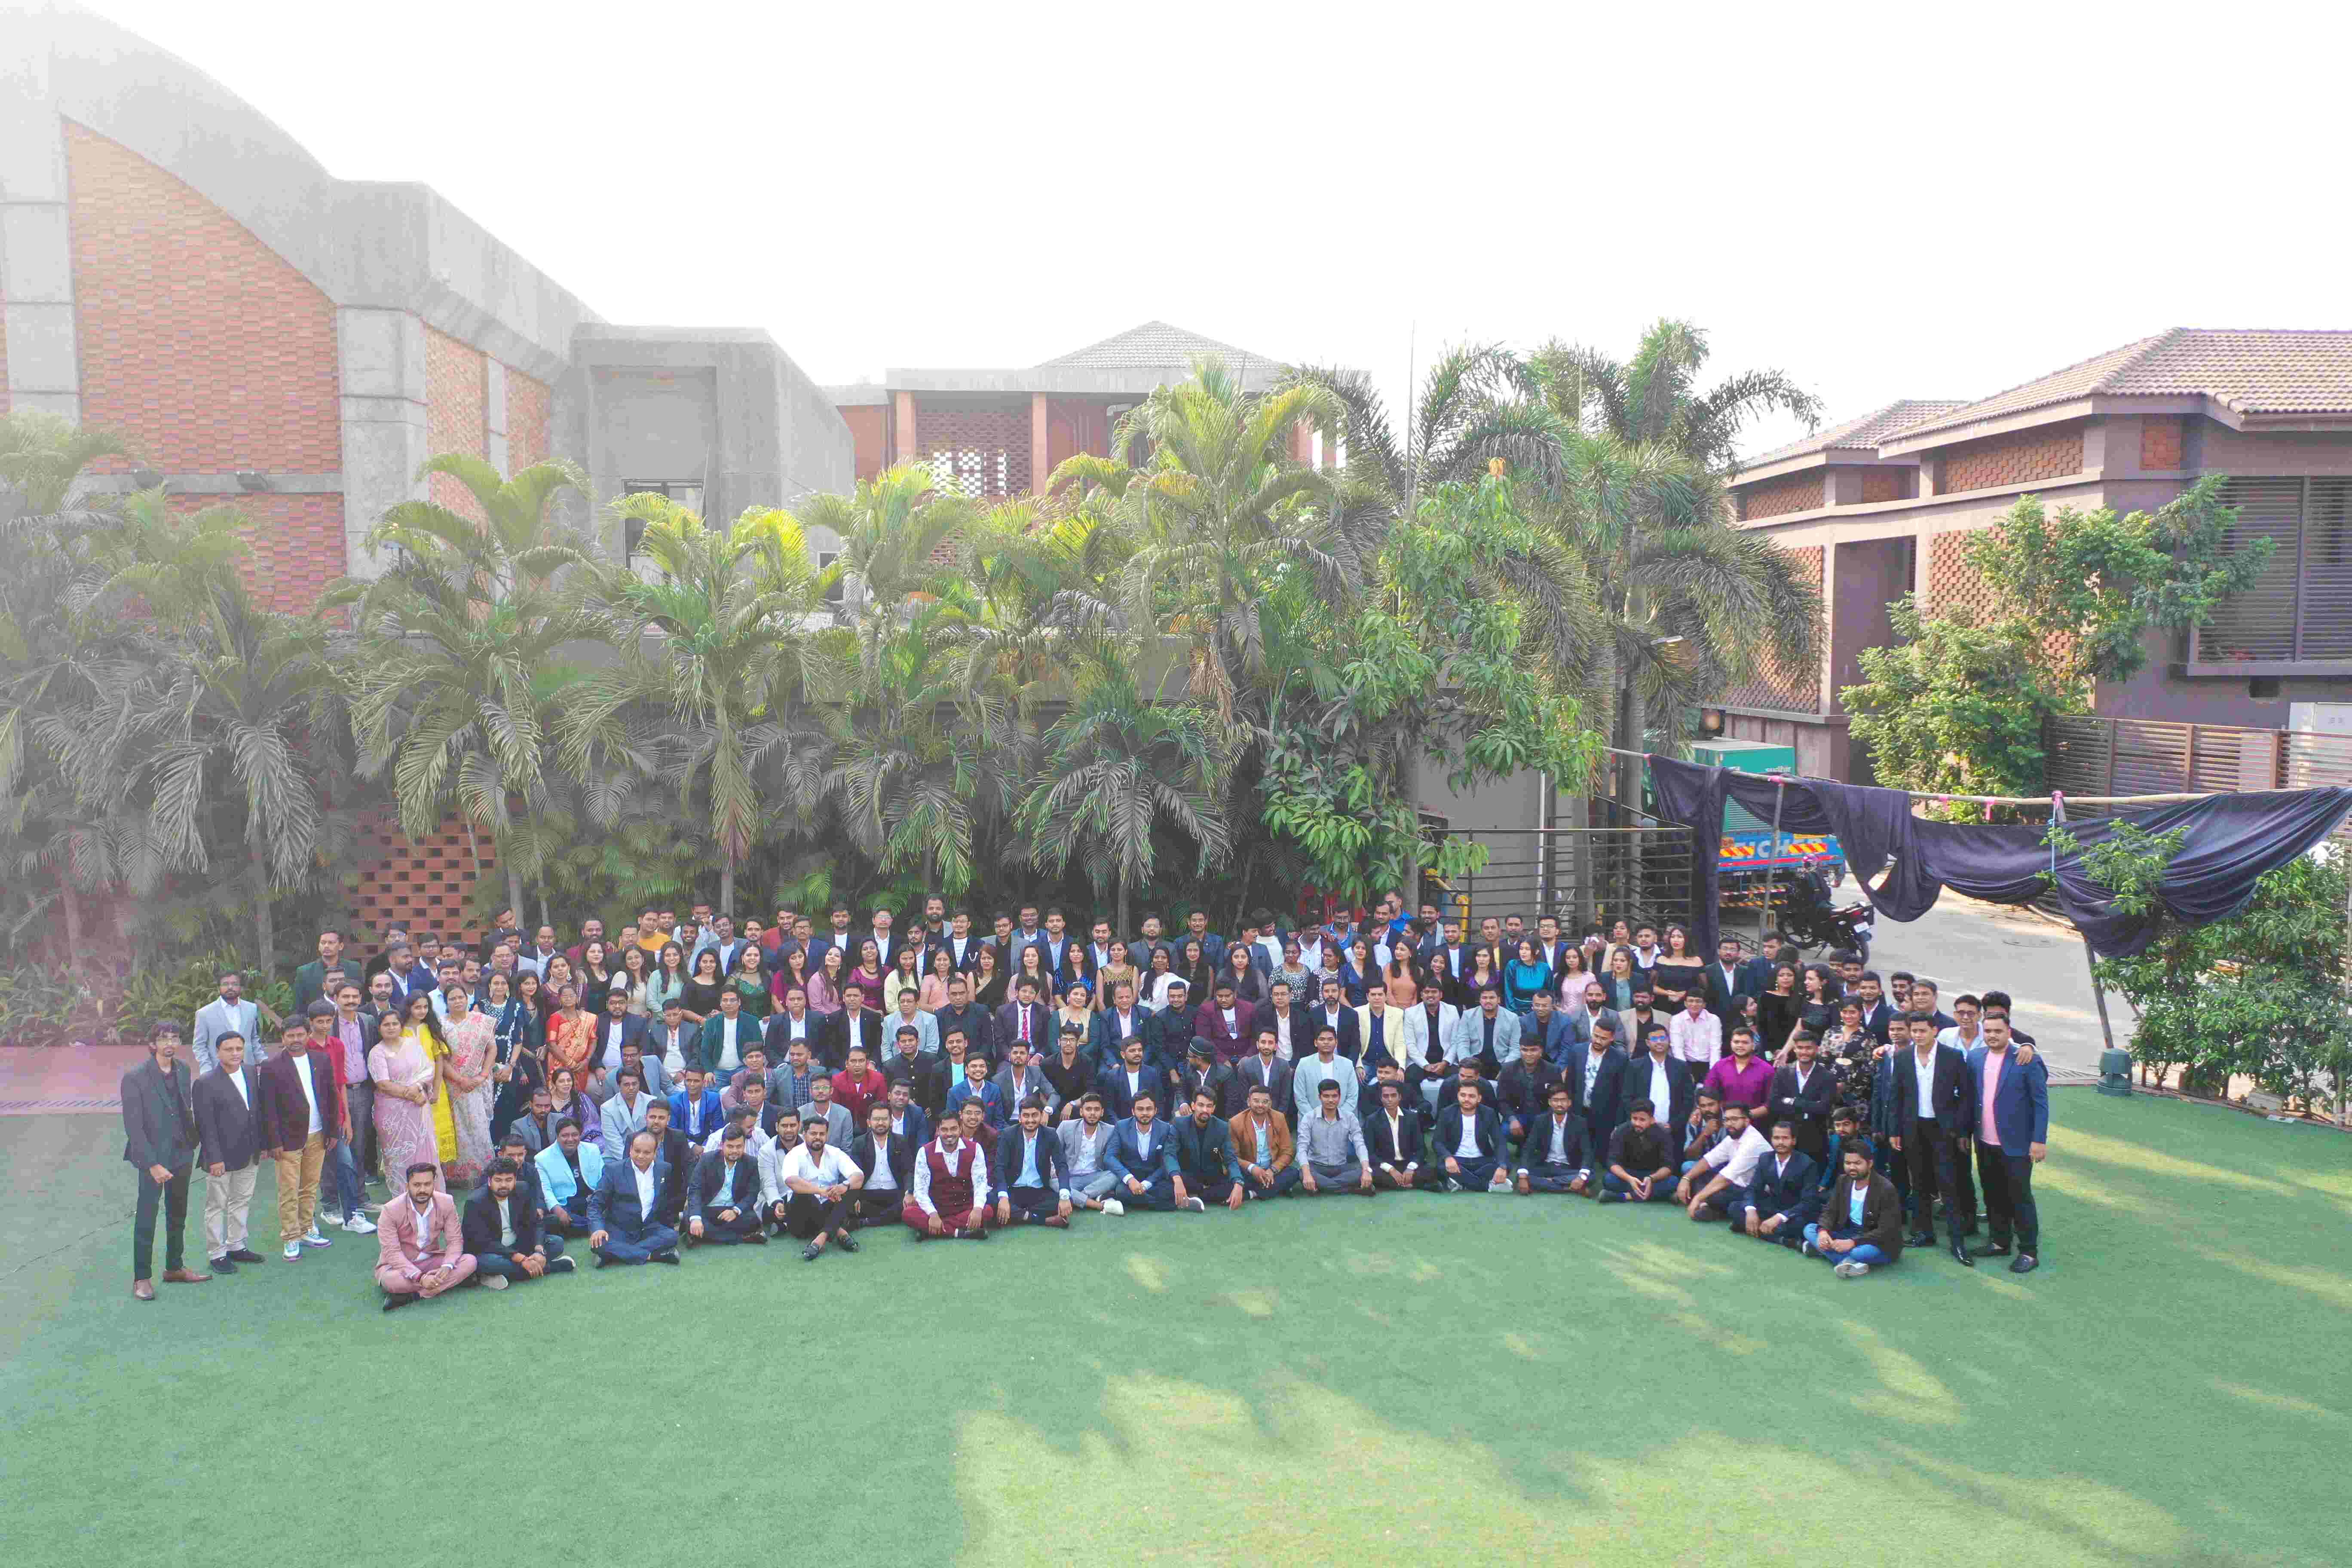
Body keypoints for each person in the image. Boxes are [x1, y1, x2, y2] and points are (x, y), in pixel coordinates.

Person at [123, 1023, 208, 1299]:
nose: (169, 1043)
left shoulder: (183, 1070)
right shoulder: (135, 1077)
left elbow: (184, 1109)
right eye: (163, 1038)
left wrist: (192, 1144)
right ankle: (142, 1278)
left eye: (174, 1038)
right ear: (152, 1044)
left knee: (178, 1214)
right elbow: (134, 1128)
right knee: (147, 1218)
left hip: (182, 1153)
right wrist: (152, 1164)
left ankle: (174, 1267)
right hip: (153, 1158)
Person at [1892, 1011, 1976, 1265]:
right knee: (1919, 1184)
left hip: (1942, 1130)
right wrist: (1895, 1130)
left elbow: (1967, 1096)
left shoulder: (1953, 1057)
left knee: (1948, 1184)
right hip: (1913, 1129)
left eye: (1922, 1031)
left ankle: (1957, 1242)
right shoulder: (1903, 1056)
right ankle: (1925, 1233)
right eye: (1914, 1031)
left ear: (1935, 1030)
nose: (1917, 1036)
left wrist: (1958, 1129)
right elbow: (1897, 1096)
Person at [255, 1020, 343, 1262]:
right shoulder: (271, 1067)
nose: (296, 1040)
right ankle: (291, 1236)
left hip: (318, 1135)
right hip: (287, 1140)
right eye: (290, 1036)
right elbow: (268, 1108)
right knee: (288, 1190)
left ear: (308, 1036)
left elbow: (331, 1097)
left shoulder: (321, 1060)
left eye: (300, 1035)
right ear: (283, 1038)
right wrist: (273, 1142)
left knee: (309, 1186)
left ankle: (307, 1229)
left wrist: (332, 1132)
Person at [1967, 1013, 2048, 1273]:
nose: (1992, 1035)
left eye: (1998, 1031)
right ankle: (1999, 1241)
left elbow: (2040, 1103)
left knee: (2020, 1197)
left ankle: (2029, 1251)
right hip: (1985, 1141)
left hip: (2018, 1144)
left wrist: (2038, 1140)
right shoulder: (1975, 1058)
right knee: (1992, 1194)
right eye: (1988, 1031)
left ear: (2009, 1031)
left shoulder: (2027, 1058)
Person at [193, 1029, 269, 1275]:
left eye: (239, 1048)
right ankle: (217, 1253)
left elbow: (256, 1112)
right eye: (229, 1049)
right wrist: (214, 1159)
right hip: (221, 1158)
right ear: (217, 1052)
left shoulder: (249, 1072)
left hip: (250, 1152)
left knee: (242, 1200)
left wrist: (262, 1145)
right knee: (217, 1205)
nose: (235, 1054)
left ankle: (236, 1245)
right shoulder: (205, 1083)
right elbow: (206, 1125)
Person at [375, 1161, 477, 1310]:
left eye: (427, 1184)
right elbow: (392, 1253)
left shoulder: (446, 1202)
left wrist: (447, 1267)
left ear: (434, 1184)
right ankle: (450, 1282)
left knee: (470, 1261)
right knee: (391, 1281)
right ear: (407, 1186)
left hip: (431, 1259)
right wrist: (420, 1278)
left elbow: (455, 1241)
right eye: (417, 1185)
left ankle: (415, 1296)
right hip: (399, 1266)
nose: (422, 1190)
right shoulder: (390, 1211)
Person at [462, 1158, 574, 1288]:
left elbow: (536, 1223)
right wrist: (522, 1259)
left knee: (557, 1243)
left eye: (509, 1180)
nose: (504, 1185)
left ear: (515, 1180)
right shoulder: (475, 1202)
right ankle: (552, 1267)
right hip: (491, 1251)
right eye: (498, 1180)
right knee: (488, 1263)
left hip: (517, 1245)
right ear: (489, 1181)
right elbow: (483, 1243)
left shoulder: (523, 1190)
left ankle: (500, 1274)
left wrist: (539, 1250)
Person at [1803, 1142, 1905, 1279]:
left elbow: (1887, 1230)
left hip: (1878, 1241)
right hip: (1849, 1231)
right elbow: (1830, 1210)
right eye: (1848, 1163)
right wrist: (1823, 1232)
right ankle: (1849, 1263)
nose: (1852, 1168)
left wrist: (1853, 1242)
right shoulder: (1843, 1181)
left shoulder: (1886, 1189)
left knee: (1860, 1253)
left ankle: (1838, 1256)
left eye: (1858, 1163)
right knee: (1810, 1229)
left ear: (1870, 1164)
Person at [588, 1130, 682, 1266]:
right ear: (630, 1150)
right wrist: (597, 1229)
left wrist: (668, 1226)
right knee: (598, 1244)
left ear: (655, 1153)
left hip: (648, 1229)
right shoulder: (613, 1170)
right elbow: (595, 1204)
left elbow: (664, 1202)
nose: (640, 1156)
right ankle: (653, 1256)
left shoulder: (664, 1169)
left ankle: (614, 1255)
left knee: (672, 1237)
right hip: (620, 1229)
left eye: (647, 1153)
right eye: (637, 1151)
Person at [780, 1115, 865, 1259]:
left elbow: (859, 1176)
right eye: (813, 1134)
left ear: (827, 1135)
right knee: (803, 1193)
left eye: (822, 1134)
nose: (818, 1137)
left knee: (852, 1190)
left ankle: (821, 1239)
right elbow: (791, 1181)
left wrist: (843, 1186)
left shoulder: (835, 1153)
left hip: (828, 1208)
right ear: (804, 1134)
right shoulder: (795, 1154)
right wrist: (820, 1191)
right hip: (802, 1220)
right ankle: (839, 1232)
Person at [1675, 1100, 1770, 1222]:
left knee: (1715, 1193)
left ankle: (1707, 1205)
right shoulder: (1733, 1136)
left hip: (1753, 1192)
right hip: (1735, 1185)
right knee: (1696, 1175)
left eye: (1734, 1119)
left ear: (1746, 1121)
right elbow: (1709, 1160)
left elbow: (1727, 1177)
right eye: (1727, 1120)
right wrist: (1686, 1179)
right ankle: (1707, 1208)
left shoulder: (1753, 1142)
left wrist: (1698, 1198)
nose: (1730, 1124)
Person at [905, 1112, 991, 1241]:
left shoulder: (975, 1149)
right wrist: (933, 1215)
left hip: (964, 1207)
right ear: (938, 1130)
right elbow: (920, 1191)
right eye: (944, 1129)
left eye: (954, 1129)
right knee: (908, 1214)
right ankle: (961, 1233)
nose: (949, 1134)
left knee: (987, 1211)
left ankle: (931, 1230)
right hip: (936, 1208)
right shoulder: (925, 1152)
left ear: (960, 1128)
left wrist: (978, 1209)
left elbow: (980, 1184)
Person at [993, 1096, 1075, 1226]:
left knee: (1068, 1201)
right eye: (1026, 1116)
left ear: (1042, 1115)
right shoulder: (1008, 1134)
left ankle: (1018, 1215)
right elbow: (999, 1167)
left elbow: (1061, 1166)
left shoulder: (1050, 1134)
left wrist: (1064, 1196)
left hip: (1039, 1191)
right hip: (1013, 1190)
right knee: (992, 1200)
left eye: (1035, 1115)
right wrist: (1003, 1198)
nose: (1030, 1120)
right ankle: (1043, 1220)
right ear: (1020, 1117)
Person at [1740, 1121, 1822, 1243]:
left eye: (1785, 1138)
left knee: (1800, 1224)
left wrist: (1780, 1217)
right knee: (1735, 1208)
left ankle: (1766, 1232)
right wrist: (1751, 1211)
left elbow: (1809, 1202)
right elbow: (1753, 1189)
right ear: (1771, 1139)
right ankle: (1780, 1238)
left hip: (1794, 1213)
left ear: (1794, 1141)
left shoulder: (1808, 1164)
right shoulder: (1765, 1158)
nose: (1781, 1142)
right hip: (1772, 1208)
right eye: (1777, 1138)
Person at [1102, 1091, 1182, 1215]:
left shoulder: (1166, 1128)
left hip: (1154, 1179)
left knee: (1170, 1190)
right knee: (1122, 1192)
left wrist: (1146, 1184)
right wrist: (1130, 1179)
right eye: (1140, 1109)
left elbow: (1166, 1161)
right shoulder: (1121, 1127)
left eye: (1149, 1109)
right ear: (1133, 1111)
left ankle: (1137, 1200)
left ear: (1155, 1111)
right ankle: (1169, 1206)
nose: (1145, 1113)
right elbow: (1109, 1157)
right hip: (1130, 1178)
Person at [687, 1125, 767, 1246]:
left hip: (733, 1211)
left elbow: (752, 1194)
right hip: (708, 1210)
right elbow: (695, 1190)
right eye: (730, 1147)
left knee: (753, 1220)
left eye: (739, 1147)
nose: (735, 1151)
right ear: (722, 1145)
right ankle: (741, 1238)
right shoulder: (707, 1160)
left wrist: (736, 1211)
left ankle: (702, 1237)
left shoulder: (751, 1163)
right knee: (691, 1218)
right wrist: (696, 1219)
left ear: (744, 1145)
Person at [1295, 1079, 1375, 1196]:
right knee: (1302, 1173)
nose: (1331, 1100)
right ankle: (1351, 1189)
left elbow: (1360, 1145)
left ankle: (1322, 1188)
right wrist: (1307, 1175)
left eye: (1334, 1096)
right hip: (1317, 1167)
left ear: (1340, 1097)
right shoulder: (1309, 1118)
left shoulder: (1350, 1117)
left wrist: (1366, 1171)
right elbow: (1302, 1148)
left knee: (1366, 1171)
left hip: (1341, 1167)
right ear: (1320, 1097)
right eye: (1326, 1096)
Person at [1431, 1079, 1511, 1193]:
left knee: (1507, 1165)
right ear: (1458, 1096)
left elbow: (1500, 1142)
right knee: (1441, 1167)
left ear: (1479, 1098)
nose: (1466, 1099)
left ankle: (1461, 1183)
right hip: (1457, 1160)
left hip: (1482, 1161)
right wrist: (1448, 1157)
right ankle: (1488, 1186)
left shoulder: (1488, 1113)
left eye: (1471, 1096)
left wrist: (1502, 1166)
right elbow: (1437, 1142)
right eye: (1463, 1095)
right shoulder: (1447, 1113)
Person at [1170, 1089, 1244, 1211]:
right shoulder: (1179, 1124)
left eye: (1209, 1106)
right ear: (1193, 1106)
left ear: (1214, 1108)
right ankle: (1206, 1195)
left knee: (1238, 1181)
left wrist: (1238, 1184)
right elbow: (1170, 1154)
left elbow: (1230, 1159)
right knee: (1170, 1177)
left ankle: (1195, 1197)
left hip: (1212, 1179)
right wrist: (1177, 1180)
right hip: (1187, 1178)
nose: (1205, 1110)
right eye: (1201, 1105)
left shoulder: (1222, 1127)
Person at [1767, 1032, 1837, 1158]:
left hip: (1815, 1140)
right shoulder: (1783, 1073)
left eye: (1809, 1048)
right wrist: (1811, 1106)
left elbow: (1824, 1109)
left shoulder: (1828, 1077)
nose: (1804, 1052)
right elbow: (1773, 1104)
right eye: (1800, 1048)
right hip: (1786, 1138)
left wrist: (1792, 1101)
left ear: (1817, 1049)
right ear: (1794, 1049)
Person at [846, 1103, 914, 1228]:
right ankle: (890, 1217)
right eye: (877, 1119)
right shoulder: (859, 1143)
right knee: (850, 1205)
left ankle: (867, 1222)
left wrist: (909, 1193)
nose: (881, 1123)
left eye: (884, 1119)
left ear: (891, 1121)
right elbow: (854, 1173)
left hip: (894, 1193)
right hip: (868, 1194)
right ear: (869, 1122)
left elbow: (908, 1171)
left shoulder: (901, 1141)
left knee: (909, 1204)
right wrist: (854, 1197)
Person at [1513, 1083, 1588, 1195]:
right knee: (1520, 1176)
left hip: (1569, 1168)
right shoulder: (1541, 1121)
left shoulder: (1580, 1122)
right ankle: (1566, 1188)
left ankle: (1548, 1184)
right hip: (1546, 1166)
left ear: (1569, 1103)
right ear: (1550, 1102)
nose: (1559, 1104)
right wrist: (1523, 1176)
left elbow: (1588, 1153)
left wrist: (1581, 1178)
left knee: (1590, 1177)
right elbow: (1528, 1149)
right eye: (1555, 1100)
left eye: (1563, 1100)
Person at [533, 1118, 603, 1237]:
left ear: (580, 1135)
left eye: (575, 1135)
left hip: (592, 1199)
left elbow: (603, 1178)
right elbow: (546, 1190)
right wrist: (557, 1209)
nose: (570, 1139)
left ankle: (592, 1225)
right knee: (556, 1220)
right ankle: (600, 1225)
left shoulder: (592, 1150)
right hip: (566, 1204)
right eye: (565, 1135)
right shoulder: (542, 1159)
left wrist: (600, 1198)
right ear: (557, 1136)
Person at [1229, 1084, 1300, 1200]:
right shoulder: (1236, 1122)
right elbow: (1233, 1157)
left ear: (1270, 1103)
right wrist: (1253, 1169)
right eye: (1256, 1101)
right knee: (1231, 1178)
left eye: (1265, 1102)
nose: (1261, 1105)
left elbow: (1288, 1152)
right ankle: (1272, 1189)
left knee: (1294, 1173)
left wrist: (1272, 1170)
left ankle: (1252, 1194)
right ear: (1248, 1102)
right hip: (1249, 1172)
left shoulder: (1279, 1118)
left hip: (1272, 1171)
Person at [1599, 1100, 1677, 1203]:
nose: (1637, 1123)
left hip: (1653, 1177)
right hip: (1628, 1175)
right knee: (1608, 1179)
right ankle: (1661, 1196)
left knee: (1674, 1182)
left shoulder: (1663, 1133)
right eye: (1634, 1119)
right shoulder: (1622, 1130)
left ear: (1652, 1120)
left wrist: (1651, 1179)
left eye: (1642, 1120)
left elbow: (1668, 1167)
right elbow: (1612, 1162)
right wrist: (1629, 1179)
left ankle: (1622, 1197)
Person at [1058, 1092, 1121, 1211]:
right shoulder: (1066, 1126)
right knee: (1054, 1183)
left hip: (1095, 1177)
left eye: (1097, 1109)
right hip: (1070, 1177)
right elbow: (1054, 1154)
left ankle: (1078, 1198)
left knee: (1115, 1176)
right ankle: (1097, 1203)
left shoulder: (1110, 1130)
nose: (1093, 1113)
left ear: (1102, 1112)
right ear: (1082, 1112)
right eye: (1089, 1109)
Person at [192, 971, 261, 1077]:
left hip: (247, 1069)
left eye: (235, 984)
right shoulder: (204, 1013)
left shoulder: (251, 1009)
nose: (230, 987)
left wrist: (263, 1061)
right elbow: (199, 1046)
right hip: (218, 1071)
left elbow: (253, 1039)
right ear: (218, 988)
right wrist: (207, 1070)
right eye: (225, 984)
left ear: (241, 988)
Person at [1363, 1080, 1425, 1190]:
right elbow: (1370, 1153)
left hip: (1408, 1163)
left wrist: (1411, 1168)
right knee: (1374, 1175)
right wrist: (1391, 1169)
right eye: (1386, 1096)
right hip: (1386, 1166)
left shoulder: (1411, 1117)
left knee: (1432, 1170)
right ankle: (1413, 1185)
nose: (1390, 1100)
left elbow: (1421, 1149)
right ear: (1381, 1098)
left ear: (1400, 1097)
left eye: (1393, 1096)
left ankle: (1398, 1185)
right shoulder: (1372, 1120)